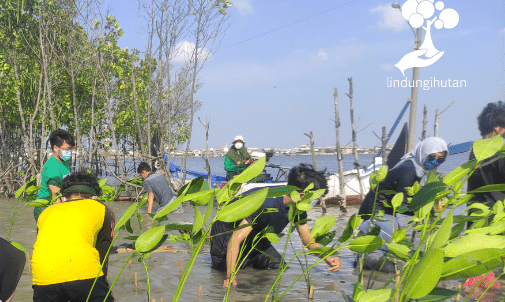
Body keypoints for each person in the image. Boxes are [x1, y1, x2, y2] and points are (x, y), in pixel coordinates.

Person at [210, 163, 341, 285]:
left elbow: (308, 240)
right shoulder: (266, 204)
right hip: (226, 234)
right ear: (301, 195)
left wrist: (328, 256)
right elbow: (234, 241)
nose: (314, 202)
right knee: (231, 273)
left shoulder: (299, 206)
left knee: (278, 267)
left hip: (255, 235)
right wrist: (230, 276)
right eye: (314, 198)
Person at [31, 171, 118, 302]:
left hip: (43, 279)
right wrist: (101, 284)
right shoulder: (102, 209)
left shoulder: (45, 212)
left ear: (63, 198)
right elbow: (103, 252)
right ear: (94, 197)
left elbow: (41, 244)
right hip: (85, 275)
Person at [357, 136, 448, 272]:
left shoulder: (415, 167)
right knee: (383, 256)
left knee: (379, 247)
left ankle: (362, 268)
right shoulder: (408, 171)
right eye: (432, 157)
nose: (435, 162)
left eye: (440, 159)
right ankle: (366, 266)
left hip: (385, 211)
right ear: (423, 153)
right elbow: (402, 205)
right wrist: (429, 208)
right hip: (375, 210)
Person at [467, 101, 505, 206]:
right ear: (497, 127)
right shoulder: (498, 152)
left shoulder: (475, 150)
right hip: (495, 216)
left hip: (475, 214)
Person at [34, 129, 74, 220]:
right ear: (56, 148)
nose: (69, 152)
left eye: (70, 149)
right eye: (66, 149)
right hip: (45, 208)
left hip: (59, 205)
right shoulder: (52, 167)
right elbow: (55, 197)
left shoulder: (65, 162)